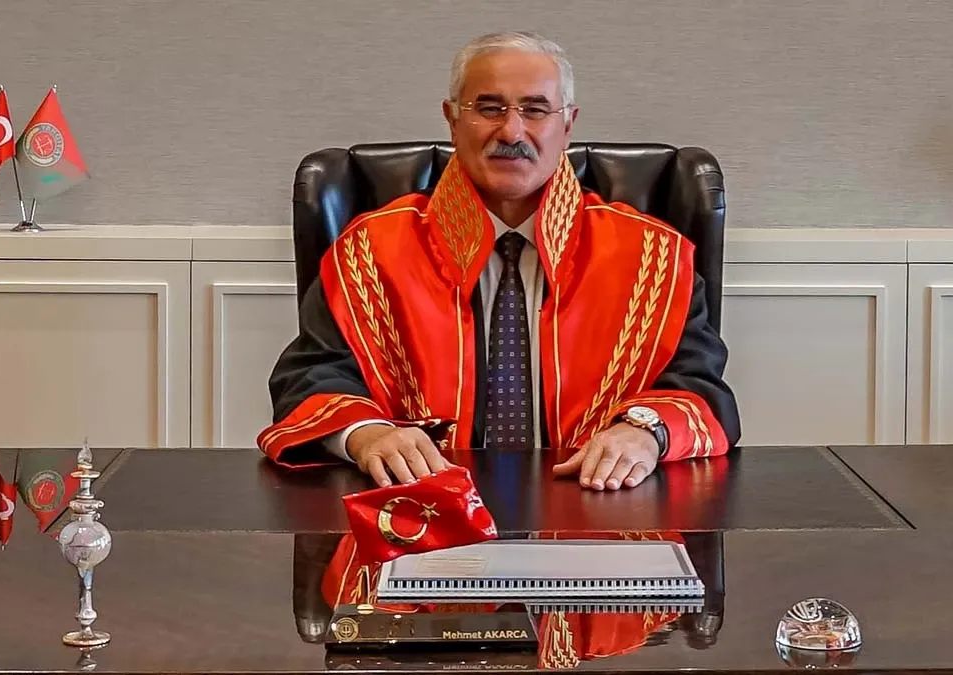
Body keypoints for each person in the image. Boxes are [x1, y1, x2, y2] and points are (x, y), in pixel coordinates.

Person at [259, 31, 741, 491]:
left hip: (602, 510)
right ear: (452, 119)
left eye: (535, 109)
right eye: (488, 108)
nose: (511, 131)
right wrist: (368, 436)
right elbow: (309, 378)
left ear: (567, 124)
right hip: (420, 511)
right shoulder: (370, 250)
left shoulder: (652, 256)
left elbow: (700, 387)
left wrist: (645, 433)